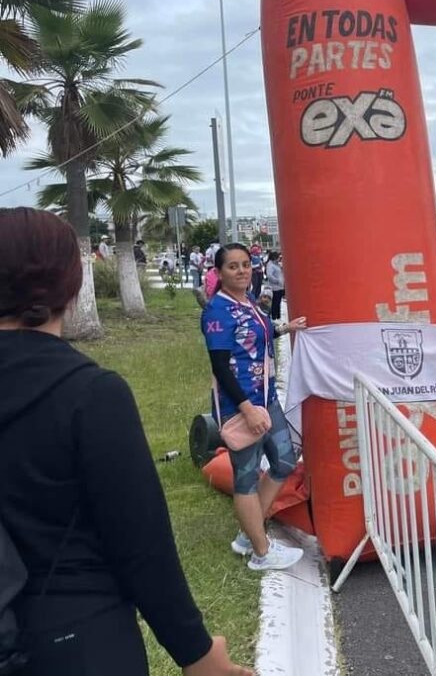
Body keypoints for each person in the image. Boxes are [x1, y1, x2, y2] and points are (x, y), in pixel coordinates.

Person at [0, 207, 252, 676]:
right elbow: (141, 545)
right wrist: (197, 653)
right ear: (71, 287)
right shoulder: (89, 394)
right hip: (77, 635)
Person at [201, 243, 308, 570]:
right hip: (241, 405)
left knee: (285, 459)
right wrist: (246, 408)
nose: (241, 271)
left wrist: (285, 328)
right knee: (245, 478)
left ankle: (249, 533)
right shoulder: (217, 311)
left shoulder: (246, 302)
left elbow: (257, 334)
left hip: (266, 400)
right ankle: (261, 553)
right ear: (219, 273)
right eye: (232, 266)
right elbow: (220, 366)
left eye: (245, 264)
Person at [264, 251, 285, 320]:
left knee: (278, 302)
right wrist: (277, 281)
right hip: (275, 287)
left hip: (280, 287)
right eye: (278, 258)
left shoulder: (276, 264)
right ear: (274, 257)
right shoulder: (270, 265)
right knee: (275, 303)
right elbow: (270, 276)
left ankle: (278, 316)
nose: (279, 259)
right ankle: (274, 316)